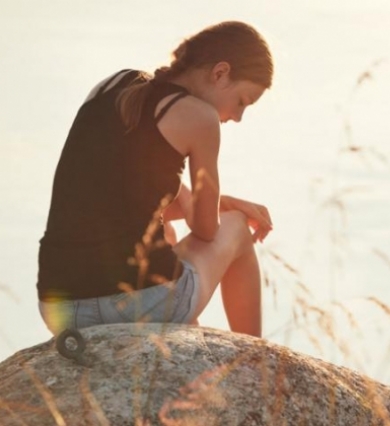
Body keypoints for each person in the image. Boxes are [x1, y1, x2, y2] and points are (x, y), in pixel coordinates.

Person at [36, 21, 274, 338]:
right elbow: (206, 230)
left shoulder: (113, 85)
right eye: (243, 101)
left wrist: (218, 198)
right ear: (220, 73)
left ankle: (177, 344)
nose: (237, 117)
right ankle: (258, 365)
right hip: (139, 305)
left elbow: (125, 194)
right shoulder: (199, 119)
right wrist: (225, 209)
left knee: (167, 231)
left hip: (60, 308)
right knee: (237, 228)